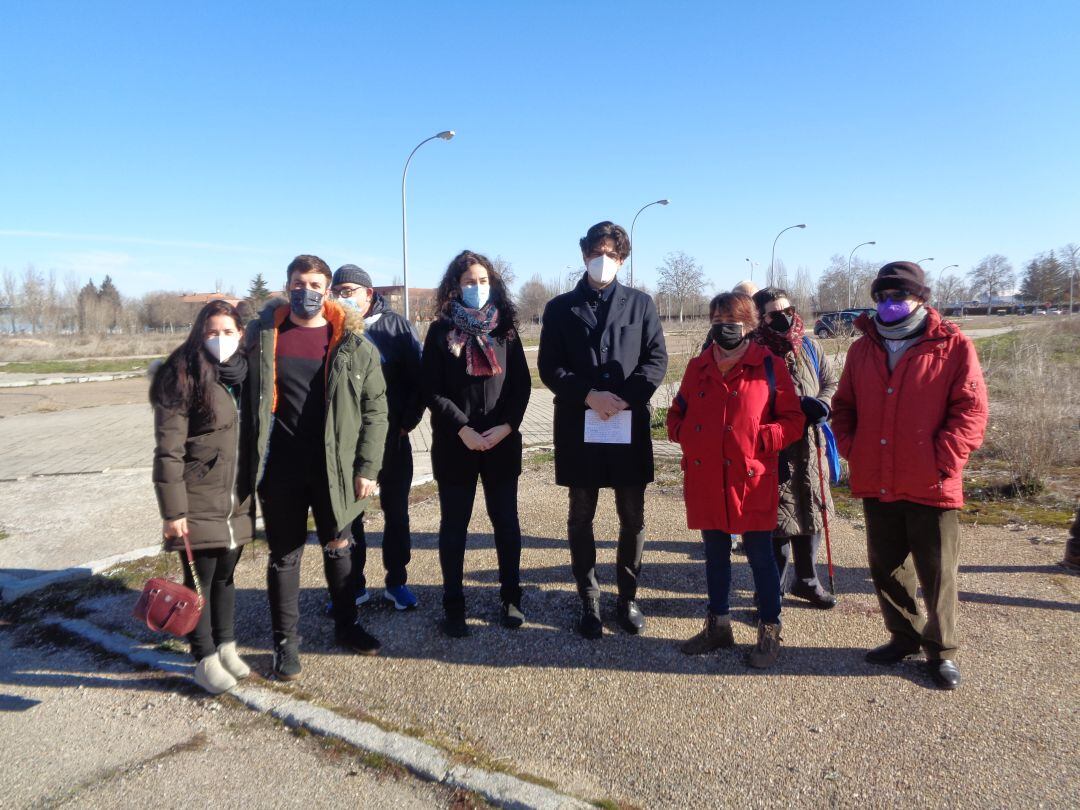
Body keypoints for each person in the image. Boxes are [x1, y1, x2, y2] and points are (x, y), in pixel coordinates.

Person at [832, 261, 988, 690]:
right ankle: (903, 637)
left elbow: (971, 411)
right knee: (887, 567)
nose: (889, 304)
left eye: (898, 296)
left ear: (922, 297)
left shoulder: (952, 345)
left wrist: (945, 458)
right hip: (876, 477)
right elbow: (843, 406)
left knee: (937, 573)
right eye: (881, 297)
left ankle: (942, 651)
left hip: (930, 480)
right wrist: (851, 447)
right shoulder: (863, 347)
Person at [244, 255, 388, 680]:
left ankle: (347, 626)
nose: (305, 290)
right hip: (280, 469)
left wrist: (368, 467)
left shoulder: (351, 342)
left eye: (314, 283)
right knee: (284, 556)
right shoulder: (264, 336)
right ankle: (285, 643)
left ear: (327, 290)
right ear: (287, 286)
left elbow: (376, 409)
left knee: (339, 547)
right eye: (298, 282)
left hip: (336, 469)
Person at [538, 221, 668, 638]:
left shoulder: (641, 304)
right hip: (581, 424)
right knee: (581, 515)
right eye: (598, 252)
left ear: (623, 260)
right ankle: (588, 598)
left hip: (627, 425)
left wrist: (626, 397)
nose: (604, 260)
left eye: (612, 254)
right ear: (584, 255)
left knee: (632, 516)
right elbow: (549, 366)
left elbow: (655, 360)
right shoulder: (560, 308)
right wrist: (588, 395)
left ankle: (627, 597)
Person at [667, 292, 804, 667]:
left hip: (751, 478)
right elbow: (676, 413)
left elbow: (793, 420)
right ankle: (718, 625)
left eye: (730, 318)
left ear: (749, 323)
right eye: (715, 318)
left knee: (761, 557)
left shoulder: (770, 366)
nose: (722, 325)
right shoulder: (698, 366)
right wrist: (685, 434)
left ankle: (770, 630)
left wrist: (765, 438)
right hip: (707, 475)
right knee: (714, 555)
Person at [422, 250, 531, 637]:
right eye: (470, 281)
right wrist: (462, 429)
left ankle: (511, 596)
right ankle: (454, 603)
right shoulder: (440, 332)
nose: (477, 287)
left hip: (501, 441)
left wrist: (507, 426)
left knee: (506, 523)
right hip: (456, 444)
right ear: (455, 286)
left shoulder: (506, 330)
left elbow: (521, 386)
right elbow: (431, 390)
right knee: (455, 526)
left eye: (483, 280)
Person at [151, 300, 255, 694]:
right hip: (198, 497)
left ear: (241, 334)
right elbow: (168, 450)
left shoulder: (243, 375)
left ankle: (226, 646)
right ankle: (203, 657)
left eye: (228, 332)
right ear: (200, 333)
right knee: (200, 582)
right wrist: (173, 510)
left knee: (226, 578)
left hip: (236, 498)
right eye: (212, 332)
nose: (220, 339)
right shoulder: (182, 375)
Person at [331, 264, 425, 611]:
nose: (342, 297)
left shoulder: (395, 326)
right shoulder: (333, 327)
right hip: (348, 444)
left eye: (349, 291)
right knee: (349, 517)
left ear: (369, 294)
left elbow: (420, 378)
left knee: (396, 512)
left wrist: (408, 422)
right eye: (337, 291)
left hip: (392, 438)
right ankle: (352, 586)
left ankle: (397, 581)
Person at [751, 287, 839, 608]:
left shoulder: (811, 346)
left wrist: (822, 405)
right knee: (777, 521)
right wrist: (788, 407)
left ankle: (807, 580)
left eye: (788, 310)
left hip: (811, 448)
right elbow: (748, 399)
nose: (785, 317)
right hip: (774, 448)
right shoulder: (754, 351)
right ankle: (771, 587)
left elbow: (830, 382)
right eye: (775, 313)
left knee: (811, 512)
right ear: (760, 317)